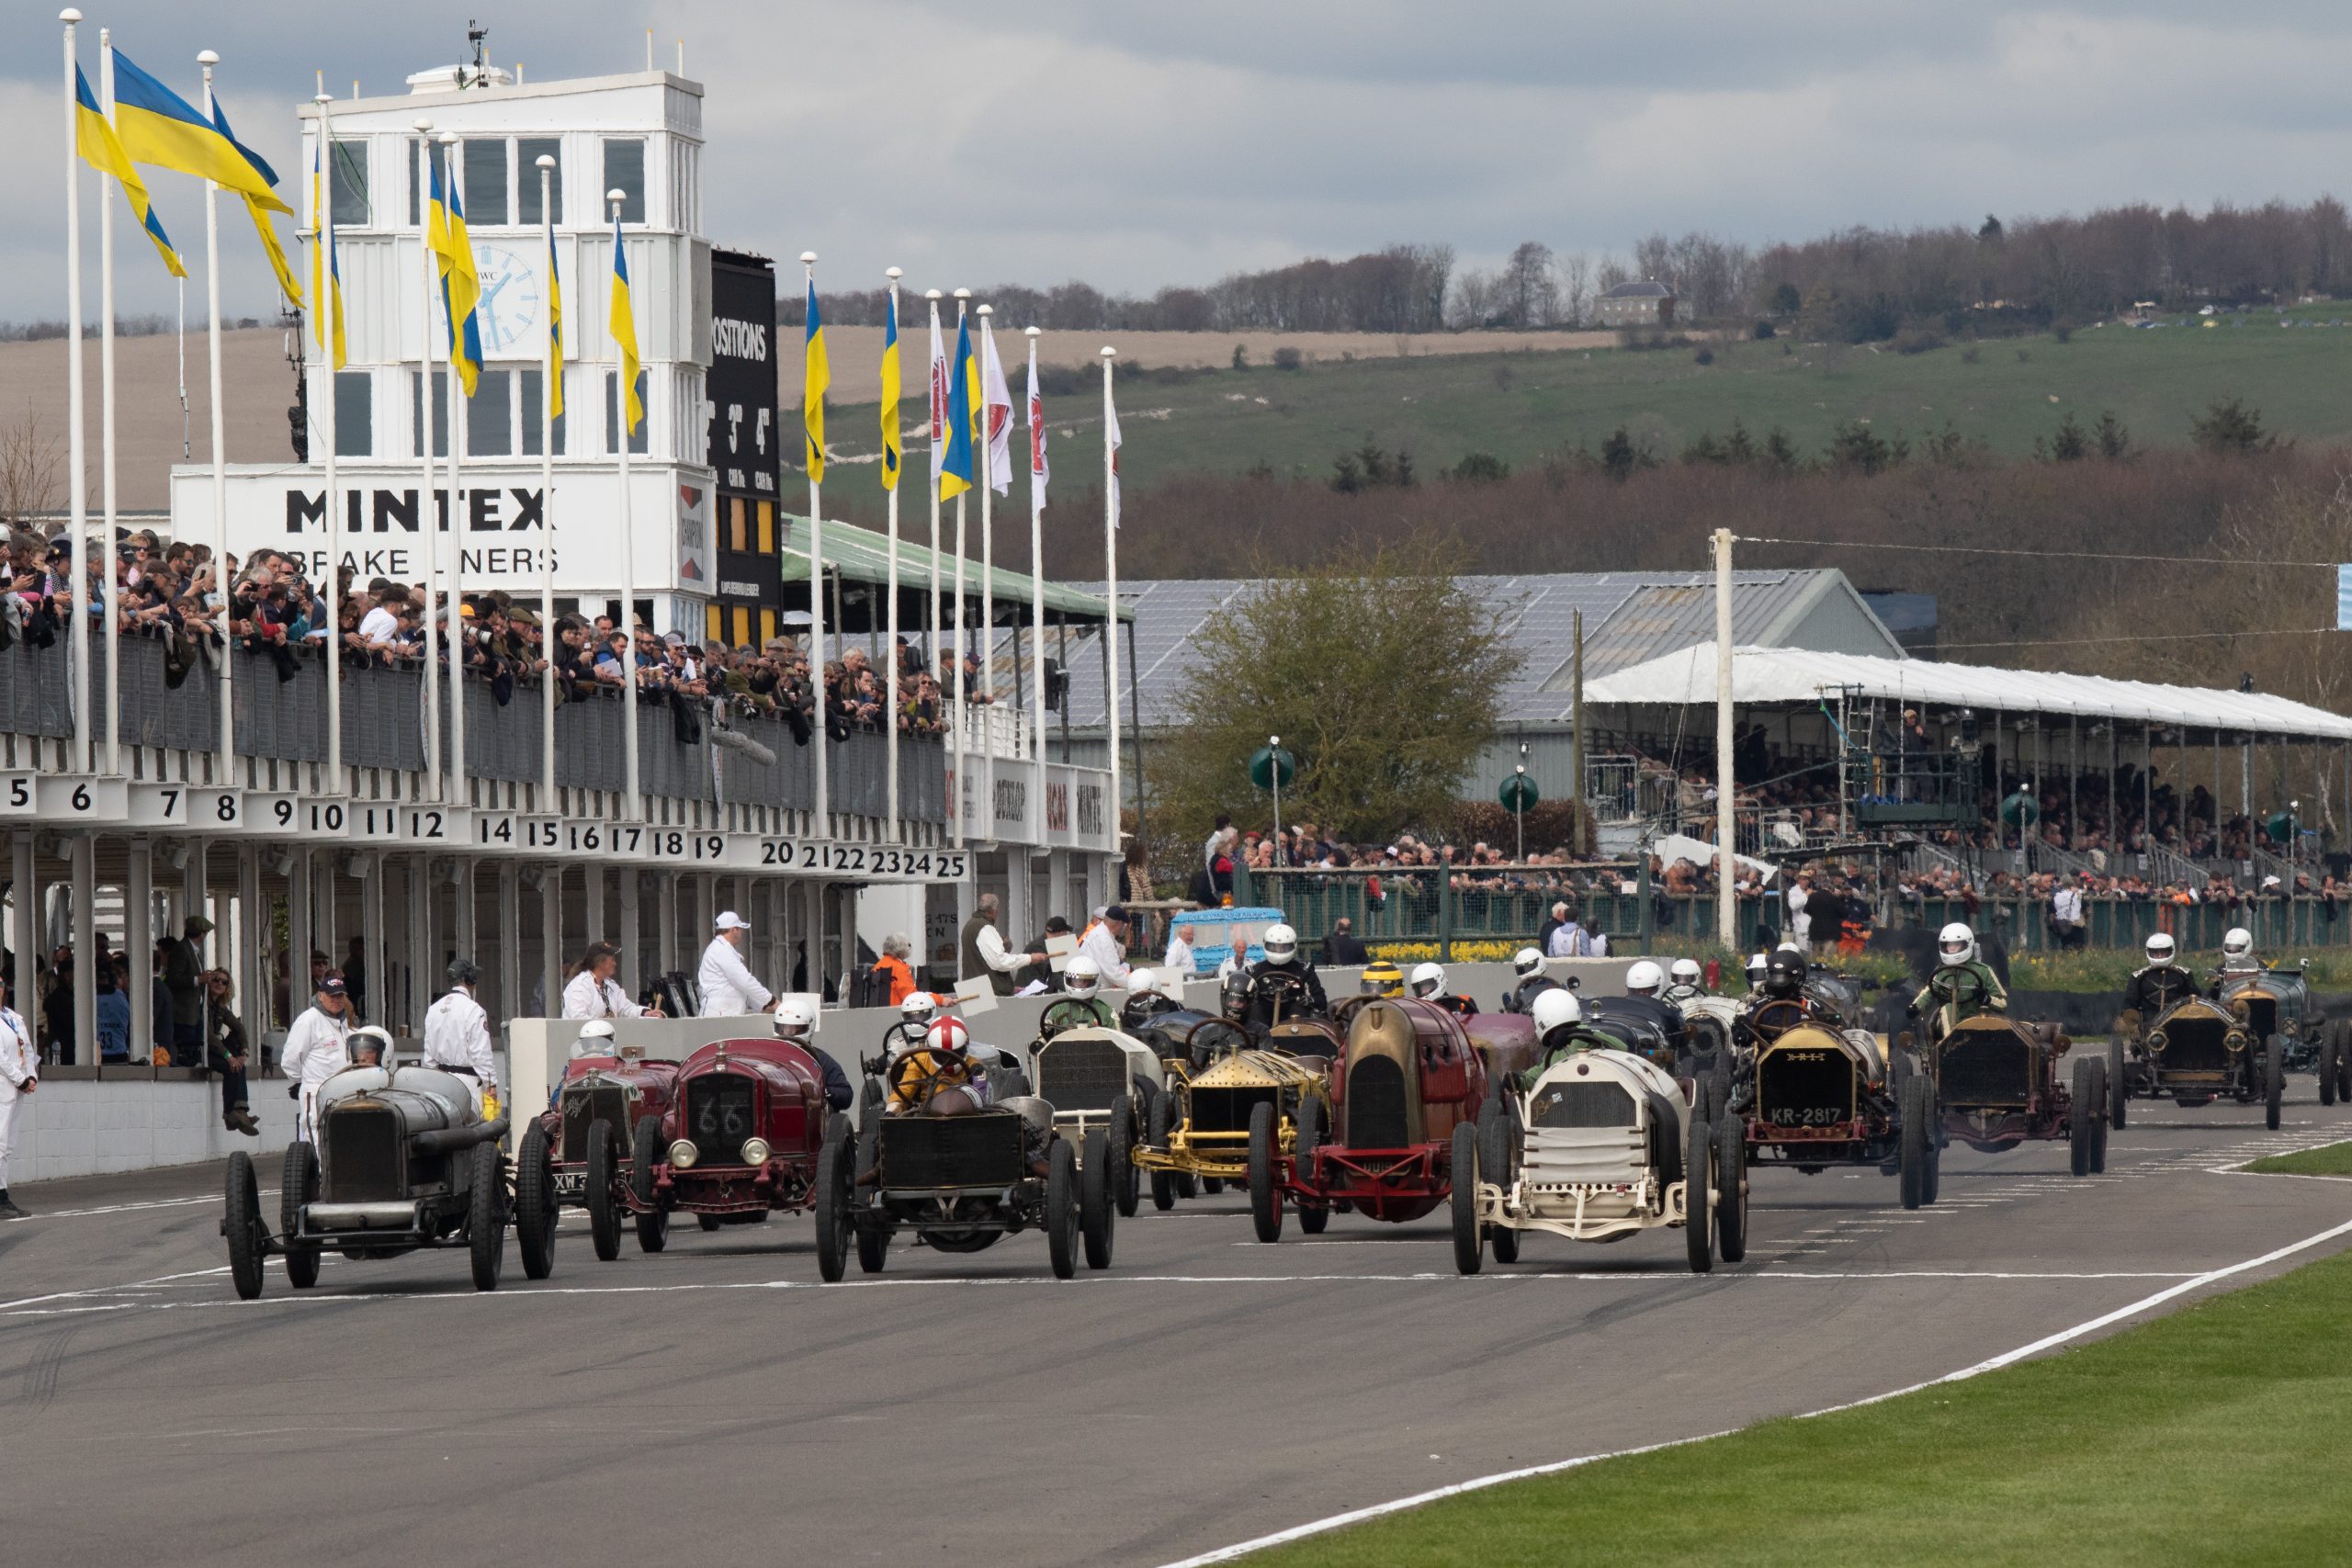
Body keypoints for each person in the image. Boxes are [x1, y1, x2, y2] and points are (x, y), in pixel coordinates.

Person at [423, 959, 500, 1118]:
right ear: (469, 978)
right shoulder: (473, 1010)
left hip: (441, 1083)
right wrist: (491, 1084)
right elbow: (481, 1053)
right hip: (467, 1084)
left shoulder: (433, 1009)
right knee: (472, 1133)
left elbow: (429, 1058)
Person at [281, 975, 354, 1142]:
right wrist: (304, 1081)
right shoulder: (308, 1020)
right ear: (321, 996)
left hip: (343, 1094)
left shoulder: (342, 1021)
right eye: (332, 995)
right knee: (317, 1137)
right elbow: (290, 1061)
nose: (336, 1000)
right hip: (316, 1094)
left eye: (340, 995)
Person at [1909, 922, 2008, 1040]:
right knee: (1948, 1007)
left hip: (1978, 1021)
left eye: (1956, 944)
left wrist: (1986, 999)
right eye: (1948, 944)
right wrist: (1915, 1007)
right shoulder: (1941, 971)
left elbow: (2003, 1004)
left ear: (1966, 945)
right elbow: (1929, 992)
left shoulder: (1984, 971)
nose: (1951, 948)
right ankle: (1951, 1046)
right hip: (1948, 1020)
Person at [201, 969, 258, 1136]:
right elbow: (208, 1036)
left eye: (224, 982)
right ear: (209, 981)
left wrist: (244, 1053)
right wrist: (228, 1056)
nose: (219, 984)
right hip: (202, 1050)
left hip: (216, 1049)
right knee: (231, 1067)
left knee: (238, 1065)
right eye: (216, 980)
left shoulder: (221, 1008)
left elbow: (239, 1028)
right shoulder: (202, 1003)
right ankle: (234, 1114)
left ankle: (237, 1113)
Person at [772, 995, 853, 1111]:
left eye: (795, 1029)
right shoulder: (769, 1058)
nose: (788, 1033)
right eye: (783, 1028)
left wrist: (822, 1090)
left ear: (808, 1027)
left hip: (810, 1118)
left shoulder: (821, 1059)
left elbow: (846, 1095)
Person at [960, 893, 1043, 998]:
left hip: (973, 989)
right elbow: (999, 962)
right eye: (998, 909)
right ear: (993, 910)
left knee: (977, 1016)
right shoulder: (984, 928)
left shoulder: (970, 925)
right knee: (992, 1016)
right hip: (987, 994)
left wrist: (1010, 988)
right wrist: (1029, 958)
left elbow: (980, 962)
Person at [0, 972, 35, 1218]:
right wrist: (20, 1079)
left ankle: (3, 1194)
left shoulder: (14, 1018)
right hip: (4, 1085)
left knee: (8, 1144)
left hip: (18, 1087)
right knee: (0, 1143)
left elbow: (28, 1050)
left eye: (1, 984)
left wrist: (31, 1076)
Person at [2119, 931, 2198, 1035]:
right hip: (2150, 1020)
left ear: (2171, 951)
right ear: (2149, 952)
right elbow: (2130, 1002)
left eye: (2163, 952)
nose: (2159, 956)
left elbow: (2195, 998)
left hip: (2178, 1017)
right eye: (2156, 953)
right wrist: (2131, 1018)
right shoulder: (2137, 977)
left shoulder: (2185, 974)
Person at [696, 911, 774, 1017]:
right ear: (734, 930)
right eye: (740, 929)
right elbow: (745, 981)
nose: (741, 933)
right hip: (719, 1014)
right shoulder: (721, 950)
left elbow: (739, 986)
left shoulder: (721, 949)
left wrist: (762, 1006)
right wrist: (772, 1001)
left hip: (724, 1013)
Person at [561, 942, 662, 1021]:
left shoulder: (611, 985)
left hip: (606, 1042)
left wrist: (645, 1013)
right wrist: (605, 1026)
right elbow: (578, 1019)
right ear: (600, 963)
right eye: (612, 959)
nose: (615, 963)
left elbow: (626, 1008)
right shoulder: (580, 985)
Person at [163, 914, 210, 1066]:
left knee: (194, 1050)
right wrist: (198, 980)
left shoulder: (192, 950)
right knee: (186, 1052)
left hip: (193, 1012)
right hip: (183, 1014)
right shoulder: (182, 949)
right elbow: (173, 978)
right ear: (201, 933)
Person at [1077, 904, 1138, 991]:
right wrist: (1137, 981)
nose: (1123, 929)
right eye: (1123, 925)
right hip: (1095, 990)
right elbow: (1114, 973)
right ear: (1119, 923)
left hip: (1089, 985)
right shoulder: (1103, 939)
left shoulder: (1099, 932)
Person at [1500, 947, 1558, 1015]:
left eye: (1528, 967)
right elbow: (1518, 1016)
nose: (1525, 971)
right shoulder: (1522, 990)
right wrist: (1511, 1008)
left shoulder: (1549, 986)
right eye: (1521, 969)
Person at [868, 931, 918, 1008]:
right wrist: (939, 999)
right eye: (908, 945)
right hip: (896, 1014)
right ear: (901, 948)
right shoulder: (899, 968)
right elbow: (912, 998)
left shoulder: (877, 966)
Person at [1408, 961, 1473, 1017]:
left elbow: (1478, 1028)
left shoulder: (1463, 1003)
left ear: (1440, 981)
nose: (1423, 992)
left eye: (1426, 987)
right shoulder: (1415, 1013)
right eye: (1419, 989)